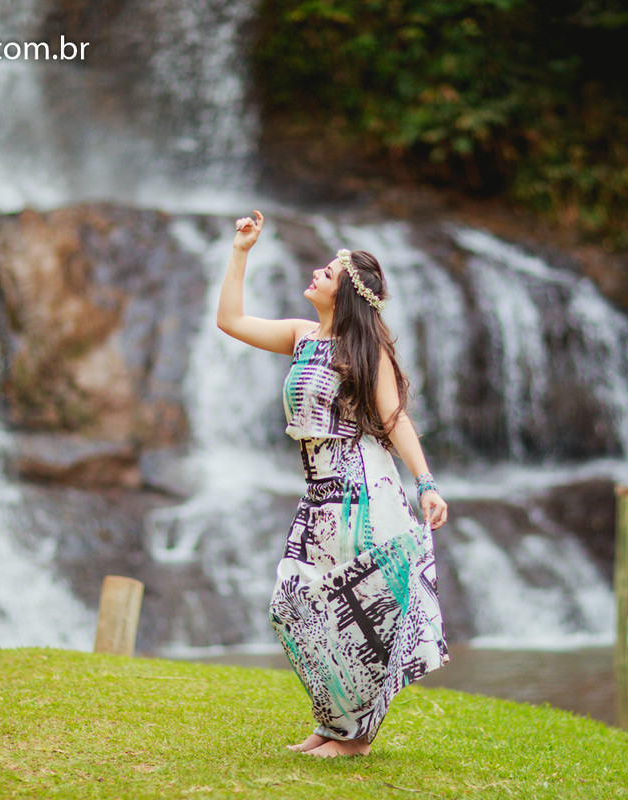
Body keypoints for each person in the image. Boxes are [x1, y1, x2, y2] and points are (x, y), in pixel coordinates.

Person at [216, 210, 450, 758]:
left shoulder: (362, 350)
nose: (317, 273)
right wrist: (241, 251)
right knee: (293, 606)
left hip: (360, 493)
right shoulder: (301, 336)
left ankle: (354, 737)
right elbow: (230, 320)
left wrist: (426, 482)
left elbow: (393, 418)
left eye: (328, 273)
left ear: (345, 296)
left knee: (354, 611)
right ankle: (333, 723)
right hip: (318, 492)